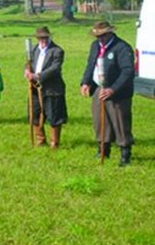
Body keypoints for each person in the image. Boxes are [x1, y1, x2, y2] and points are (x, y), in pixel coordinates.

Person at [81, 20, 135, 166]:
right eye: (98, 36)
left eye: (103, 36)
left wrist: (113, 89)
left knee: (120, 122)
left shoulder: (122, 47)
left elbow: (128, 71)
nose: (100, 39)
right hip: (99, 87)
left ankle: (125, 154)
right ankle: (103, 149)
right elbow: (91, 65)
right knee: (100, 120)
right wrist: (86, 82)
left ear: (110, 33)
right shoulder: (95, 46)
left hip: (118, 92)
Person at [25, 26, 68, 149]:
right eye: (40, 38)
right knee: (35, 114)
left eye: (45, 38)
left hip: (52, 89)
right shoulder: (33, 50)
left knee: (54, 115)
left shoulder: (57, 51)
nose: (43, 40)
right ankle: (41, 140)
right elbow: (28, 63)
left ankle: (55, 142)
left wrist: (38, 76)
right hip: (35, 88)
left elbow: (55, 68)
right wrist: (27, 72)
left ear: (49, 37)